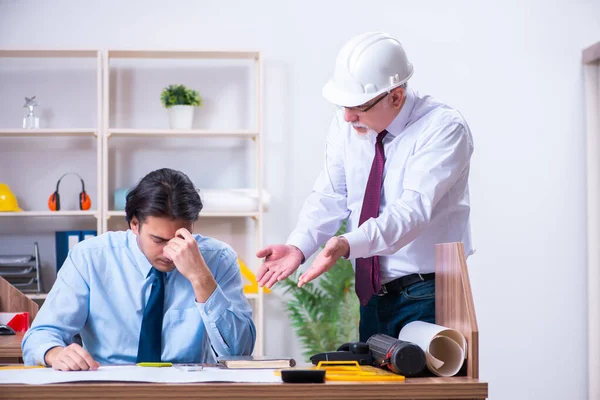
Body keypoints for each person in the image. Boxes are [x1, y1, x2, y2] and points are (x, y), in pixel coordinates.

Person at [256, 32, 474, 343]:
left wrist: (347, 243)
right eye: (342, 105)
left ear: (396, 96)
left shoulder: (443, 128)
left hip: (429, 295)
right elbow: (330, 195)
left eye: (357, 106)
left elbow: (411, 212)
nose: (347, 117)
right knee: (376, 391)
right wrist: (298, 246)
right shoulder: (348, 125)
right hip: (372, 296)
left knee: (430, 391)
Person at [22, 168, 255, 370]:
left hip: (187, 391)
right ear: (134, 225)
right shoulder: (90, 257)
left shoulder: (218, 258)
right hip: (109, 387)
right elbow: (39, 335)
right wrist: (55, 353)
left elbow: (240, 351)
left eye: (180, 238)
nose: (169, 252)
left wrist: (201, 279)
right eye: (158, 240)